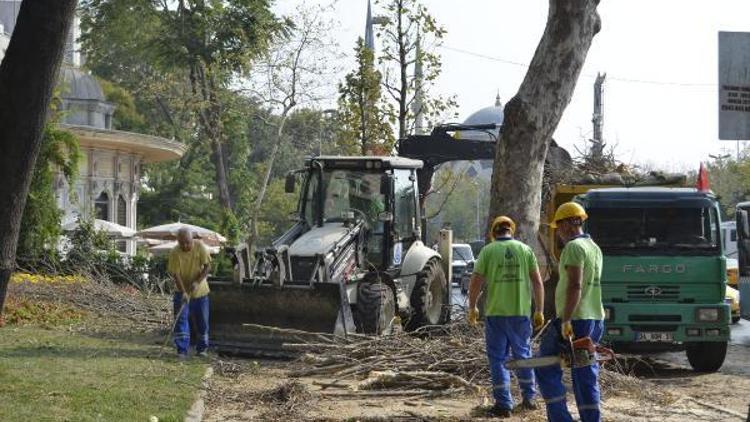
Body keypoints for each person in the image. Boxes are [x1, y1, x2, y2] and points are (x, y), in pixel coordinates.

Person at [467, 216, 545, 418]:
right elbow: (538, 282)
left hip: (496, 315)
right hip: (520, 314)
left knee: (498, 359)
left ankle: (504, 404)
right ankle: (529, 399)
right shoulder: (525, 250)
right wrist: (539, 310)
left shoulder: (488, 251)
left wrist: (472, 307)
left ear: (494, 232)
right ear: (511, 230)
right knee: (524, 356)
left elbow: (475, 283)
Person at [535, 202, 604, 422]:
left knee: (544, 366)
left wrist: (565, 320)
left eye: (559, 226)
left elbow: (575, 285)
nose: (559, 232)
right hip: (594, 317)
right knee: (585, 372)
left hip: (575, 319)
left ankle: (560, 418)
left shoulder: (574, 248)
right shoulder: (594, 247)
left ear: (567, 224)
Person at [168, 227, 212, 358]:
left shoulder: (200, 247)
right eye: (182, 243)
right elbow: (176, 275)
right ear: (178, 242)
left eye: (187, 242)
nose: (185, 246)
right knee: (181, 321)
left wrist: (197, 282)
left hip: (200, 292)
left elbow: (208, 266)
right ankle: (182, 350)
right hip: (181, 291)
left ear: (192, 239)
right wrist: (184, 293)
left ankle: (202, 349)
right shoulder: (175, 252)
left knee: (202, 321)